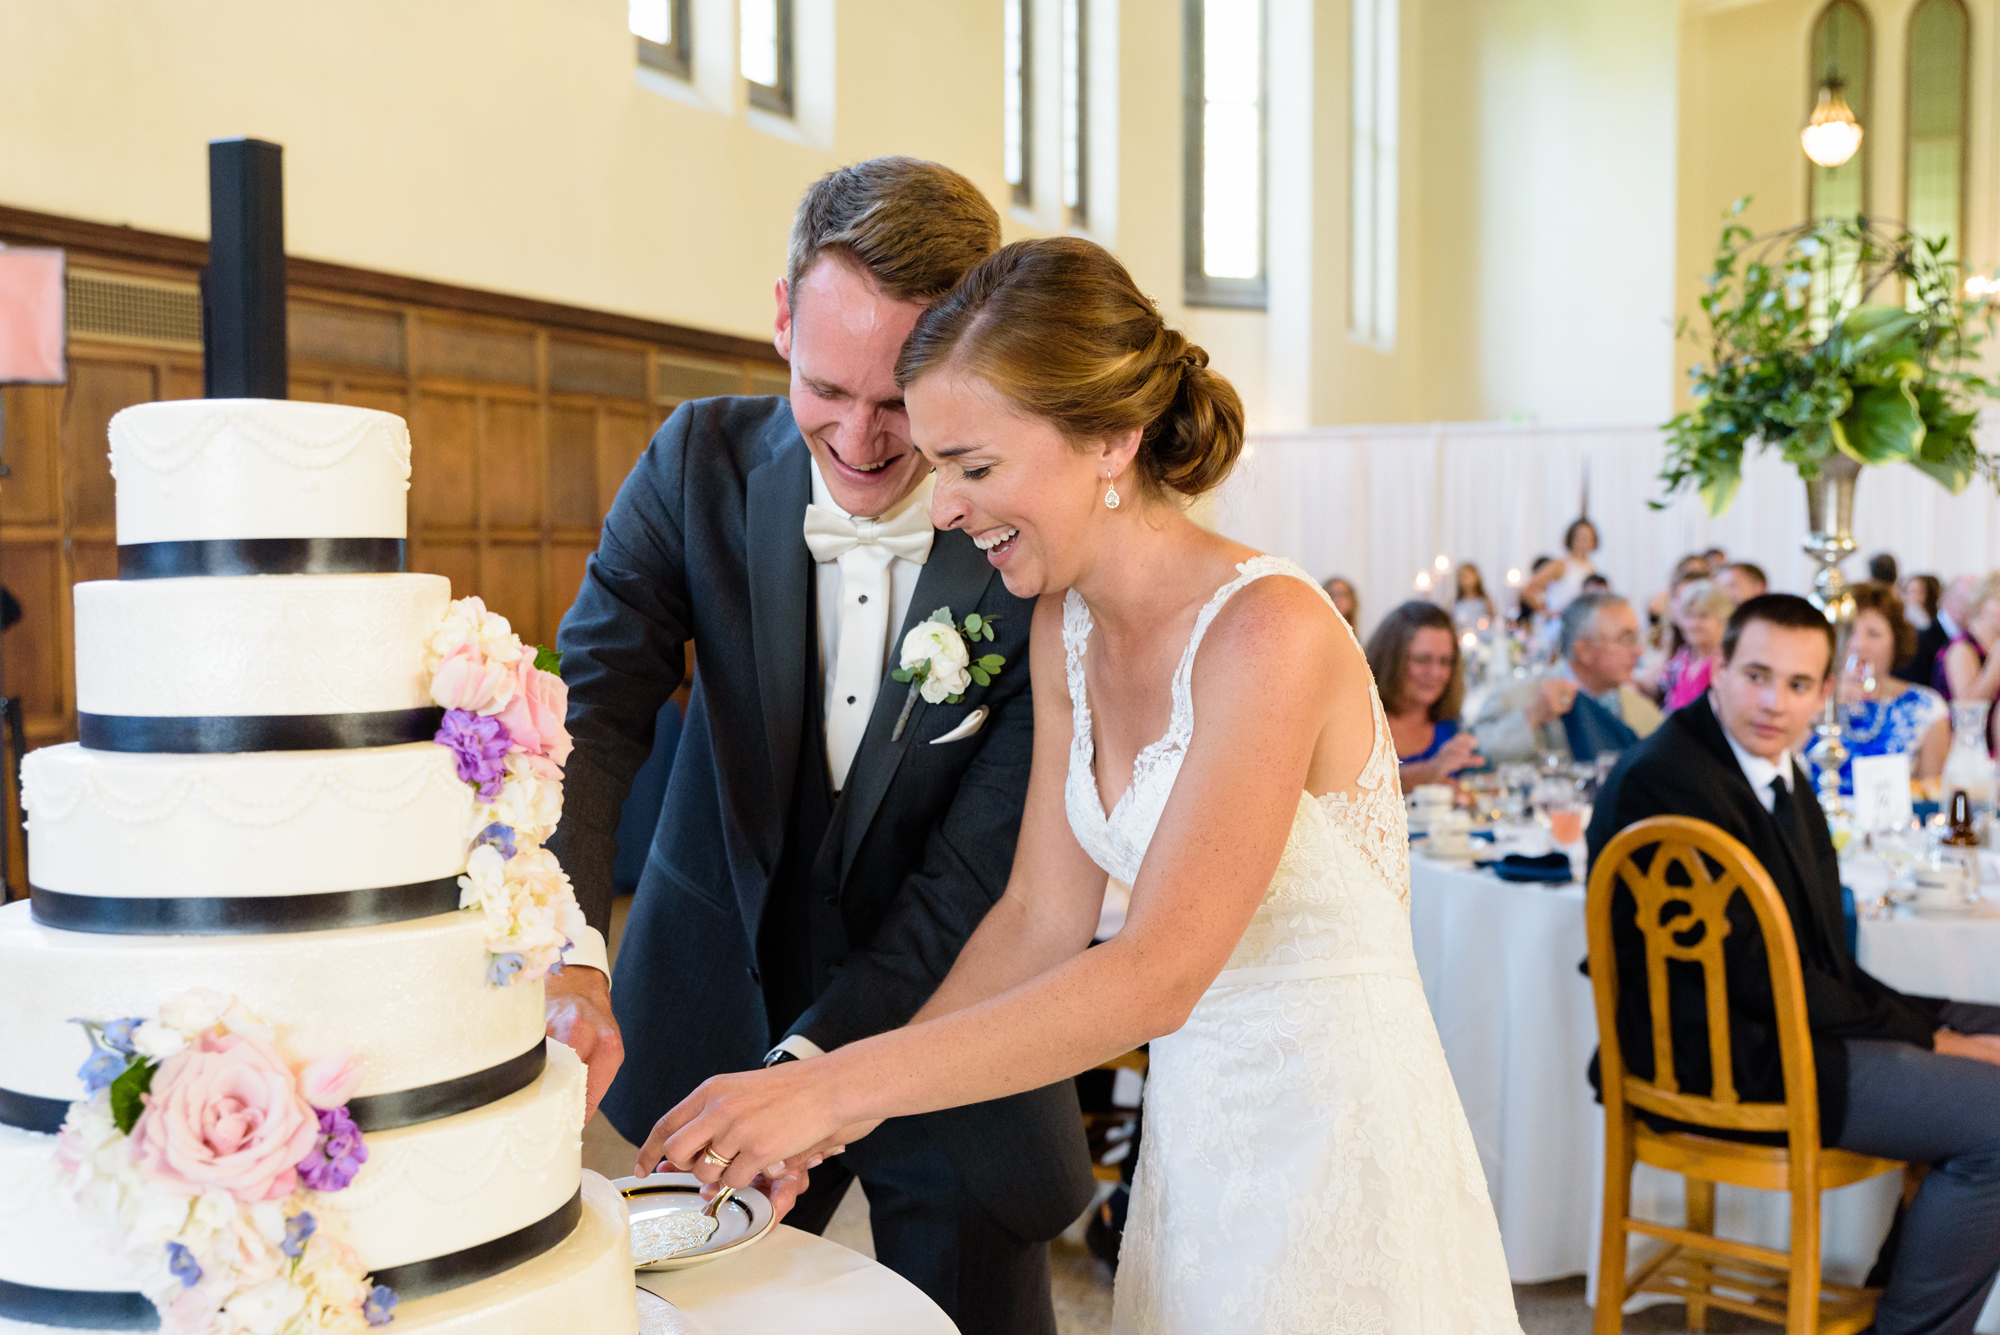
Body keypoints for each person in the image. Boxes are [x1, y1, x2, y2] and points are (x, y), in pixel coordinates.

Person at [638, 237, 1524, 1334]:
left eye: (972, 465)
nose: (945, 508)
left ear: (1110, 438)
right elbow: (1033, 922)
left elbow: (1157, 972)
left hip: (1336, 1140)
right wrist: (824, 1121)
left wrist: (829, 1089)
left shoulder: (1269, 634)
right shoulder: (1063, 626)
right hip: (1198, 1141)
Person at [544, 159, 1093, 1334]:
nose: (858, 436)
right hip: (712, 1020)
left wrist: (817, 1075)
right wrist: (568, 944)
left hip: (954, 1037)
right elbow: (590, 714)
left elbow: (973, 878)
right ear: (782, 318)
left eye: (899, 399)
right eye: (824, 385)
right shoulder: (694, 464)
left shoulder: (1028, 546)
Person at [1588, 594, 2000, 1335]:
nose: (1775, 701)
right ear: (1717, 669)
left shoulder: (1768, 763)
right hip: (1729, 1054)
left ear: (1826, 689)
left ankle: (1898, 1288)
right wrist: (1933, 1039)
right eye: (1756, 674)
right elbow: (1756, 975)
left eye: (1800, 684)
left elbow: (1820, 957)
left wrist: (1936, 1024)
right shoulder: (1670, 780)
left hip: (1789, 1018)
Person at [1472, 592, 1663, 765]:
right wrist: (1531, 716)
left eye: (1637, 638)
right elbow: (1476, 755)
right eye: (1626, 639)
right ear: (1584, 650)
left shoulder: (1643, 712)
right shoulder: (1517, 695)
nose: (1638, 651)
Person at [1802, 582, 1949, 796]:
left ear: (1895, 642)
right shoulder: (1806, 697)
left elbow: (1931, 796)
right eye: (1848, 631)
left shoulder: (1926, 707)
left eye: (1873, 634)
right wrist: (1825, 705)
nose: (1859, 644)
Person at [1368, 600, 1484, 788]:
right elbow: (1354, 789)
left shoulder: (1449, 726)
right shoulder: (1362, 722)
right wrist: (1431, 771)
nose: (1435, 673)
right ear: (1390, 660)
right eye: (1422, 660)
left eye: (1445, 661)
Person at [1640, 579, 1733, 713]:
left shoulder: (1724, 661)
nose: (1694, 623)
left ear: (1722, 620)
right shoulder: (1683, 657)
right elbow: (1654, 684)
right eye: (1689, 615)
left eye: (1703, 616)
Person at [1937, 572, 2000, 755]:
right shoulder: (1963, 647)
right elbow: (1967, 709)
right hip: (1967, 751)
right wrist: (1995, 664)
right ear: (1981, 603)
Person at [1523, 517, 1599, 615]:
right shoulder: (1561, 565)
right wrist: (1546, 612)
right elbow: (1528, 589)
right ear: (1571, 539)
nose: (1584, 543)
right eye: (1580, 538)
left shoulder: (1591, 567)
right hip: (1561, 624)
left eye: (1588, 538)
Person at [1898, 572, 1948, 687]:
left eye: (1918, 592)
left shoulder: (1938, 627)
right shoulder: (1899, 627)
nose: (1912, 597)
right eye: (1908, 592)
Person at [1454, 562, 1497, 627]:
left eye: (1467, 576)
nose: (1464, 580)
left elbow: (1494, 619)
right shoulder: (1456, 602)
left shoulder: (1485, 600)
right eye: (1461, 576)